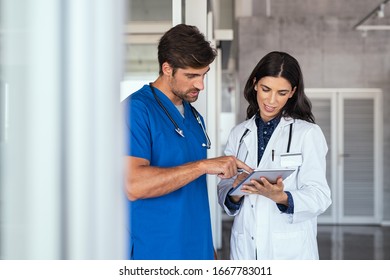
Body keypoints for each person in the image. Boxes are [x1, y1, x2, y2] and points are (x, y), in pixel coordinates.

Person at [122, 23, 251, 260]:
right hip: (156, 252)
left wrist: (209, 251)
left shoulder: (193, 116)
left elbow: (193, 193)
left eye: (203, 74)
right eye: (191, 75)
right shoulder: (136, 110)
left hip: (197, 250)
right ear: (167, 68)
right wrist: (203, 166)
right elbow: (134, 185)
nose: (200, 84)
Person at [217, 51, 332, 260]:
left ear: (292, 92)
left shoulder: (307, 133)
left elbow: (320, 196)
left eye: (281, 92)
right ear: (255, 84)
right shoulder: (239, 133)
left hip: (290, 250)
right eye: (266, 89)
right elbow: (224, 190)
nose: (271, 100)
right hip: (246, 248)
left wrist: (281, 197)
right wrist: (236, 189)